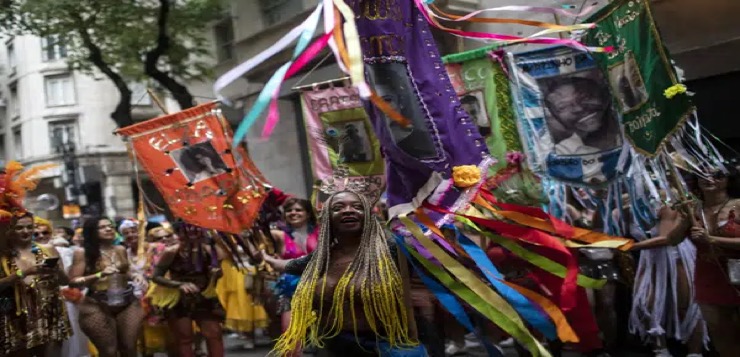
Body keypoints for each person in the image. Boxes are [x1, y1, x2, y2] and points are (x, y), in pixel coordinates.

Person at [260, 191, 420, 356]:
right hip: (330, 346)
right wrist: (265, 257)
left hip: (380, 346)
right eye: (338, 208)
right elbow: (288, 265)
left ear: (368, 215)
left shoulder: (392, 250)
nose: (348, 210)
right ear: (327, 219)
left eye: (357, 207)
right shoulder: (323, 256)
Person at [69, 217, 145, 357]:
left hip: (127, 301)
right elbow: (73, 282)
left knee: (129, 348)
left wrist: (135, 276)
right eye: (103, 227)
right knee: (108, 351)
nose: (109, 229)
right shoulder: (82, 253)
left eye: (110, 226)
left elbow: (124, 271)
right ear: (92, 232)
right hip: (97, 304)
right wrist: (99, 274)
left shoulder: (120, 249)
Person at [685, 169, 740, 356]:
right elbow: (672, 239)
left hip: (737, 272)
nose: (709, 179)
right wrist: (684, 215)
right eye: (702, 174)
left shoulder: (738, 205)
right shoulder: (693, 210)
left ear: (728, 180)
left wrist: (713, 240)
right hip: (708, 274)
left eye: (717, 175)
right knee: (719, 330)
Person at [149, 223, 226, 357]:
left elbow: (219, 274)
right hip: (179, 299)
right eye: (187, 232)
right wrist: (178, 284)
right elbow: (156, 277)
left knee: (214, 334)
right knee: (184, 338)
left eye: (196, 231)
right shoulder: (171, 252)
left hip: (204, 296)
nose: (192, 235)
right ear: (180, 235)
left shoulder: (208, 250)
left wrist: (215, 272)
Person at [268, 197, 319, 355]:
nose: (293, 213)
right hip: (291, 292)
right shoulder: (279, 235)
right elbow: (253, 235)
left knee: (329, 337)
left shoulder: (322, 231)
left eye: (298, 210)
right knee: (290, 338)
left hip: (320, 289)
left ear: (308, 213)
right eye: (289, 210)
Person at [543, 76, 619, 155]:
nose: (578, 108)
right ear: (555, 117)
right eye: (563, 107)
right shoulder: (561, 153)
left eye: (585, 97)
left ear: (605, 96)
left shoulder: (627, 127)